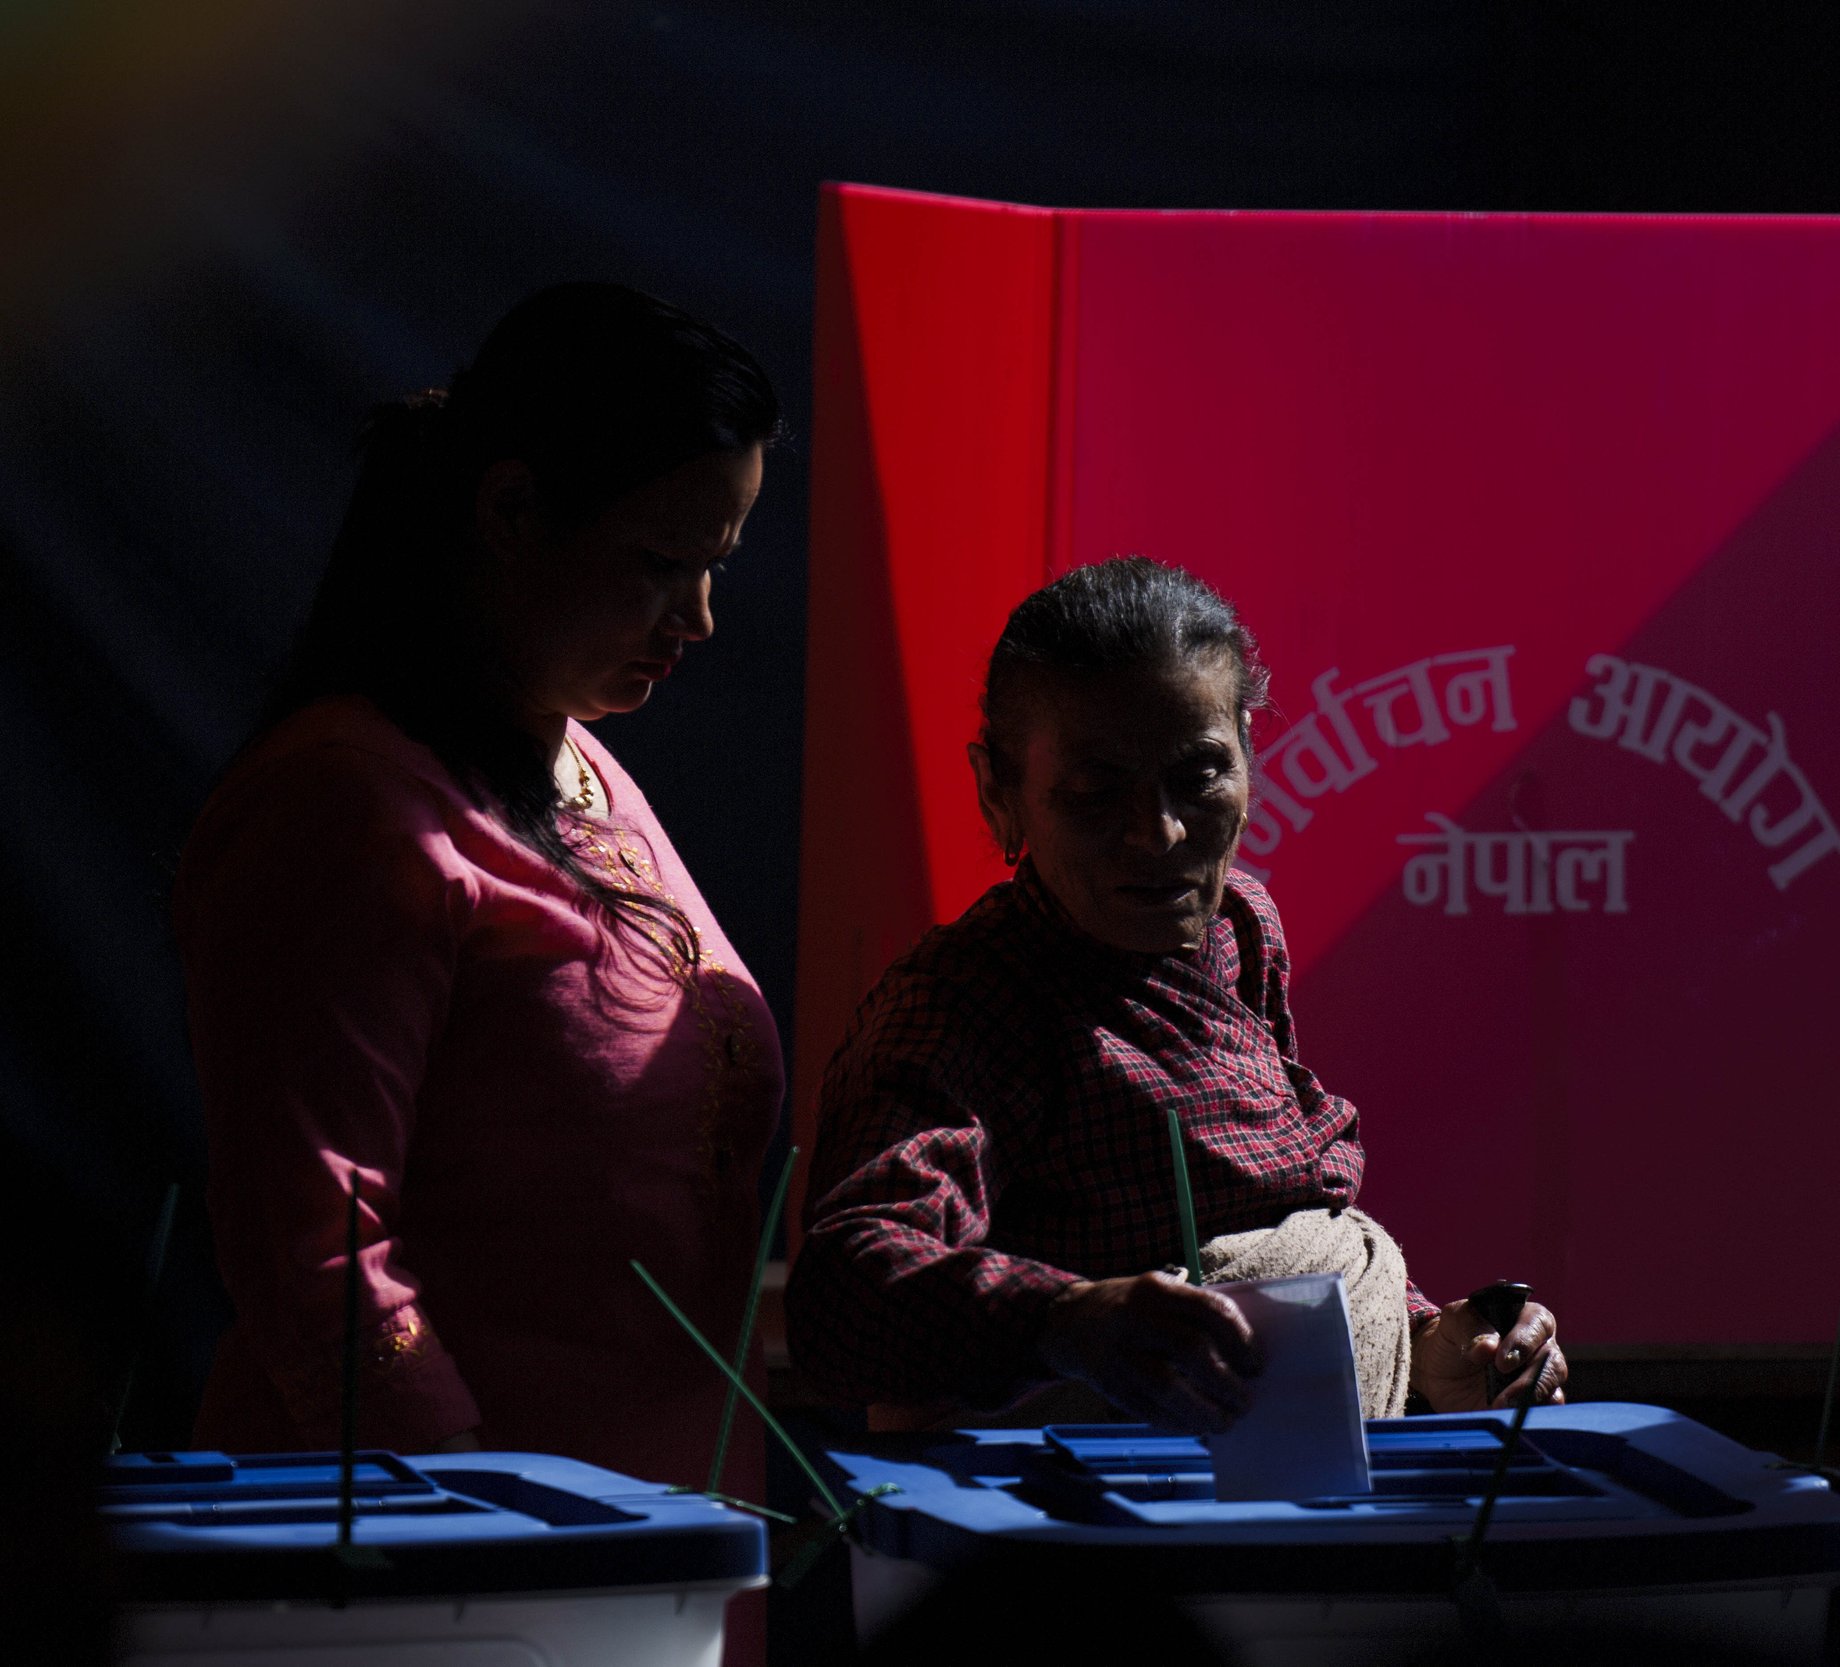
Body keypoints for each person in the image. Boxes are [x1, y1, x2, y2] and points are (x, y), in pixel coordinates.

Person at [176, 284, 786, 1494]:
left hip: (653, 1523)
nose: (703, 619)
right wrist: (473, 1525)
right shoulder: (350, 805)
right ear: (511, 509)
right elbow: (316, 1246)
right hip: (450, 1553)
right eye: (664, 563)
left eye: (717, 565)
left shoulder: (578, 759)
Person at [789, 557, 1565, 1433]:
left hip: (1294, 1499)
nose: (1157, 833)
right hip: (1106, 1531)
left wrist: (1429, 1343)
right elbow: (843, 1290)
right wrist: (1067, 1320)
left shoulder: (1242, 927)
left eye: (1197, 774)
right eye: (1092, 791)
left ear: (1246, 753)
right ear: (997, 793)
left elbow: (1282, 1209)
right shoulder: (967, 1000)